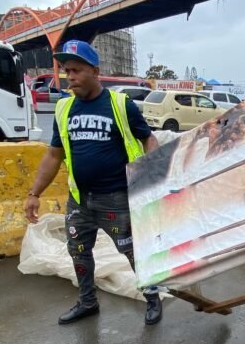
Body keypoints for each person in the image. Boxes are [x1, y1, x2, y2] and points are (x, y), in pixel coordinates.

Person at [24, 40, 163, 326]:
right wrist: (34, 192)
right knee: (77, 250)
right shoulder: (64, 109)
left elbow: (148, 137)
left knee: (132, 251)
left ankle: (152, 298)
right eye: (66, 71)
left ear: (95, 71)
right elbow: (54, 154)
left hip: (116, 198)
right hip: (80, 199)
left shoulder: (120, 105)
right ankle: (87, 302)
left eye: (76, 70)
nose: (69, 77)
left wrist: (152, 171)